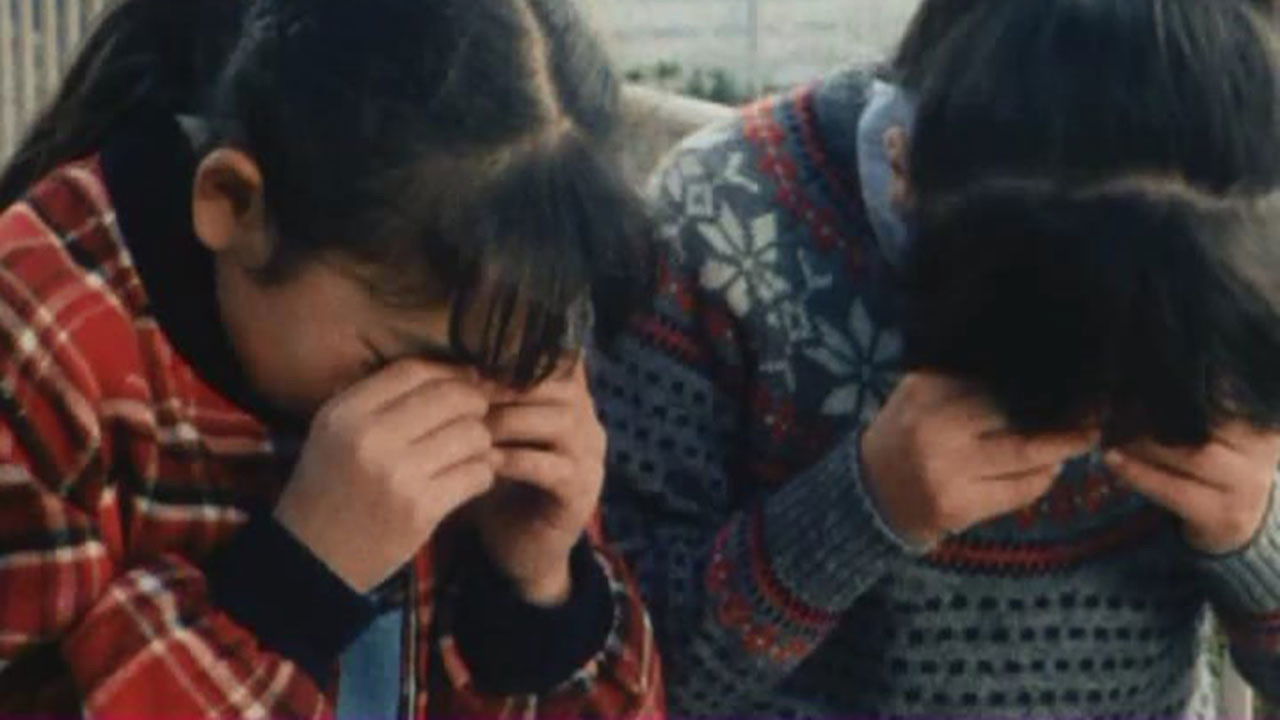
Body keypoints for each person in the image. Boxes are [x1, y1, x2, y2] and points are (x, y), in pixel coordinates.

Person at [591, 0, 1280, 715]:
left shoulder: (1246, 238)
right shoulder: (723, 221)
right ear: (904, 167)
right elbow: (614, 675)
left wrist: (1256, 542)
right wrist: (860, 509)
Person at [0, 0, 663, 716]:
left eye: (510, 369)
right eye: (396, 366)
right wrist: (292, 591)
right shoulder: (40, 340)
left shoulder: (489, 327)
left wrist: (541, 596)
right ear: (232, 203)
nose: (464, 412)